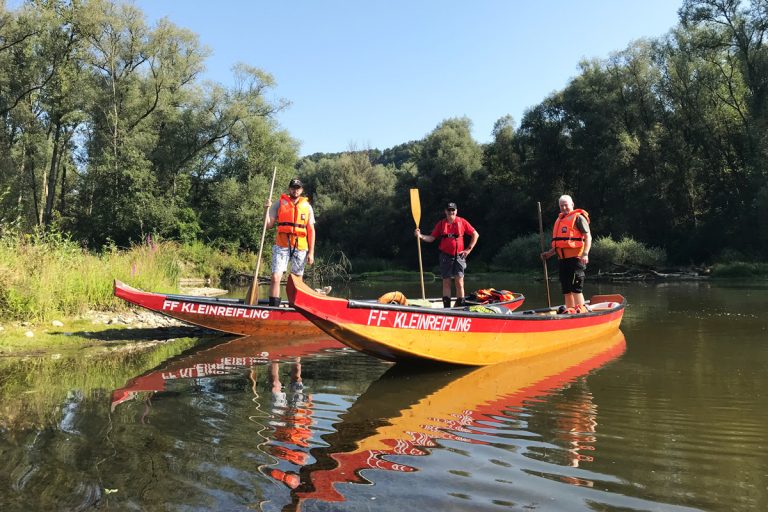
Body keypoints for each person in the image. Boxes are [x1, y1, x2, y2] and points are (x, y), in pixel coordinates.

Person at [415, 202, 479, 308]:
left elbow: (475, 234)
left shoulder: (462, 222)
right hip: (446, 256)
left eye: (453, 210)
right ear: (445, 211)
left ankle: (460, 307)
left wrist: (468, 250)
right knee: (446, 282)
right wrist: (420, 236)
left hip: (459, 256)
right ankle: (447, 308)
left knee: (459, 282)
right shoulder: (441, 224)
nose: (451, 212)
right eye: (449, 210)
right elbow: (431, 238)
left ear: (456, 211)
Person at [265, 178, 316, 306]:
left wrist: (311, 252)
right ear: (289, 189)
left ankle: (295, 307)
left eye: (298, 188)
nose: (295, 190)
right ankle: (273, 308)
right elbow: (268, 225)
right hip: (281, 245)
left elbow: (311, 230)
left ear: (301, 190)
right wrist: (265, 210)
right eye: (293, 187)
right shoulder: (279, 204)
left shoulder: (307, 207)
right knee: (276, 277)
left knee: (297, 280)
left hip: (300, 246)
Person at [541, 195, 592, 313]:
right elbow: (559, 244)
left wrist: (585, 254)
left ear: (572, 204)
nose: (564, 208)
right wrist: (549, 254)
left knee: (575, 289)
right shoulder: (559, 220)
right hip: (562, 260)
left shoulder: (579, 218)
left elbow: (588, 237)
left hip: (576, 258)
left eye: (566, 205)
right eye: (561, 205)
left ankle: (582, 312)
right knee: (566, 290)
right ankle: (570, 312)